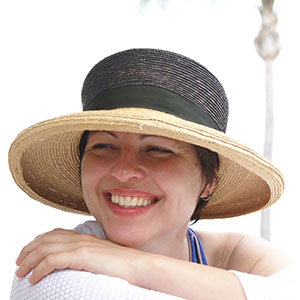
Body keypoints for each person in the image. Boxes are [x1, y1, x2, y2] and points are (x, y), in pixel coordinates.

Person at [9, 48, 297, 300]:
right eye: (105, 146)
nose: (123, 171)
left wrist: (135, 264)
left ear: (209, 180)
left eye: (158, 150)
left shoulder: (231, 253)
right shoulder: (53, 268)